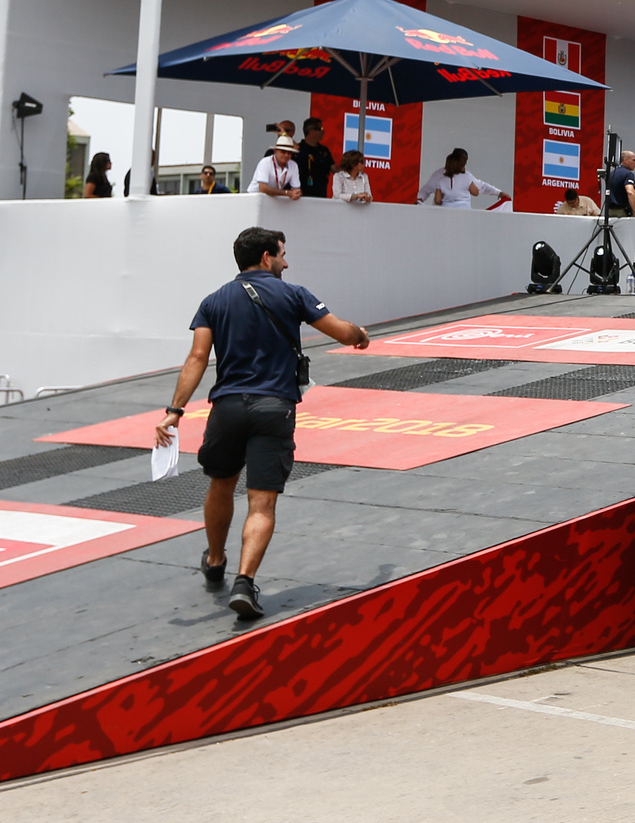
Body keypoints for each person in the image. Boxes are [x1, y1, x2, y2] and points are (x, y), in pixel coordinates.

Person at [153, 226, 369, 620]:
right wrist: (361, 335)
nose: (287, 262)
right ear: (267, 258)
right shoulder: (293, 294)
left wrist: (175, 410)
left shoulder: (213, 301)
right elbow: (342, 333)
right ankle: (244, 582)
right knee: (262, 501)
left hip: (227, 408)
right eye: (282, 254)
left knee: (221, 484)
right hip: (274, 407)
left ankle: (215, 559)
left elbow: (197, 358)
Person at [418, 148, 505, 208]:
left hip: (445, 214)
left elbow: (437, 200)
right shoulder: (467, 177)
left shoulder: (440, 179)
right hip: (464, 212)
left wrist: (419, 200)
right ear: (461, 164)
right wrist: (499, 193)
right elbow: (477, 191)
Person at [296, 118, 335, 202]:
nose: (323, 132)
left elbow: (334, 169)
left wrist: (349, 165)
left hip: (320, 194)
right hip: (301, 194)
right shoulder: (298, 149)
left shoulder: (324, 150)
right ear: (312, 131)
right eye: (321, 129)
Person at [604, 150, 635, 216]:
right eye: (633, 160)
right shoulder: (628, 174)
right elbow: (630, 192)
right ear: (626, 160)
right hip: (623, 212)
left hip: (610, 212)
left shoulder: (611, 174)